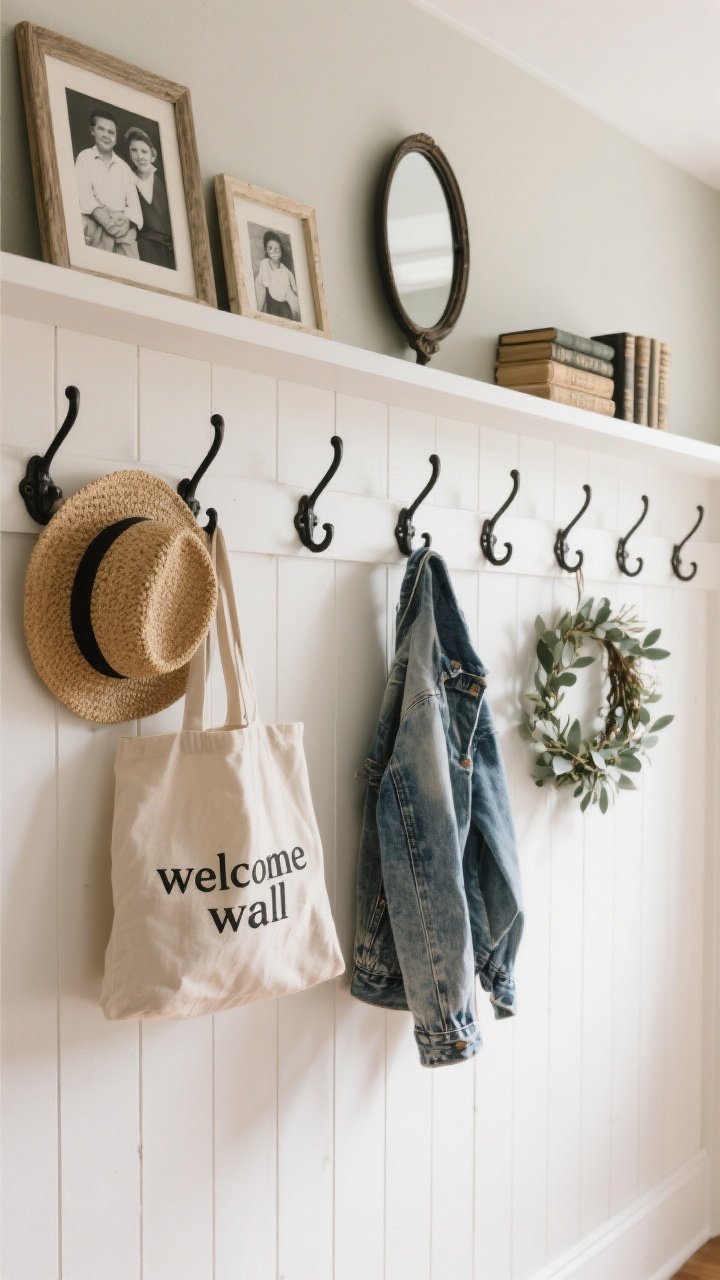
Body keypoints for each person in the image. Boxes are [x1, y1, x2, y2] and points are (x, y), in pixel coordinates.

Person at [75, 109, 143, 257]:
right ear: (92, 131)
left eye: (111, 132)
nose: (106, 135)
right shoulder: (84, 158)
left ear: (116, 138)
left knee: (130, 242)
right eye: (101, 129)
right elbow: (83, 196)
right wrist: (105, 221)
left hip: (120, 227)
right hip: (95, 221)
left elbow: (135, 209)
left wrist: (126, 224)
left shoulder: (124, 168)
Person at [124, 126, 176, 269]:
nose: (139, 156)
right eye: (134, 150)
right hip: (146, 244)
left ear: (152, 155)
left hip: (172, 246)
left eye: (144, 151)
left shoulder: (164, 178)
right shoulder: (128, 179)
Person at [254, 230, 300, 320]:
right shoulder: (264, 264)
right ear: (266, 250)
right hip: (272, 306)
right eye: (270, 248)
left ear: (281, 250)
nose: (273, 251)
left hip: (285, 308)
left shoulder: (287, 272)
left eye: (276, 248)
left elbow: (295, 292)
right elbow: (264, 285)